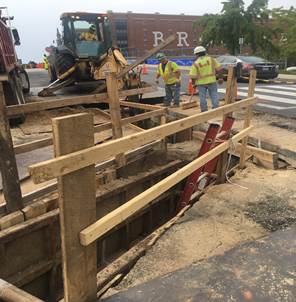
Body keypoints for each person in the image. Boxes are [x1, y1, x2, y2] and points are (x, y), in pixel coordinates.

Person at [189, 46, 223, 112]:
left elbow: (193, 76)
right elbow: (219, 69)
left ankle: (204, 111)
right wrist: (220, 78)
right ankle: (216, 109)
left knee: (202, 98)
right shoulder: (211, 59)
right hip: (212, 81)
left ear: (197, 54)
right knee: (214, 95)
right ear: (204, 52)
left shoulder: (196, 63)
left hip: (201, 83)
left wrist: (193, 84)